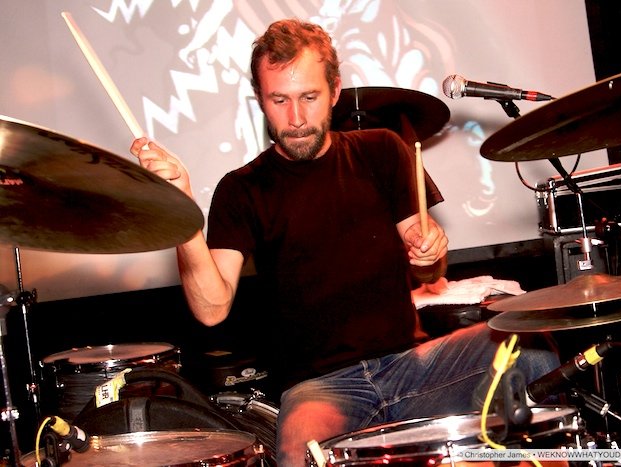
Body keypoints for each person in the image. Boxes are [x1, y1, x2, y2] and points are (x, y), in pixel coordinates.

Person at [131, 18, 559, 466]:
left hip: (411, 366)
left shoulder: (382, 150)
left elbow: (430, 268)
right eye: (279, 100)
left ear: (335, 91)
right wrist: (181, 212)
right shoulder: (242, 189)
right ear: (260, 99)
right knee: (302, 457)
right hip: (320, 389)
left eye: (309, 97)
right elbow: (211, 308)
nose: (296, 118)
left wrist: (431, 251)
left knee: (528, 348)